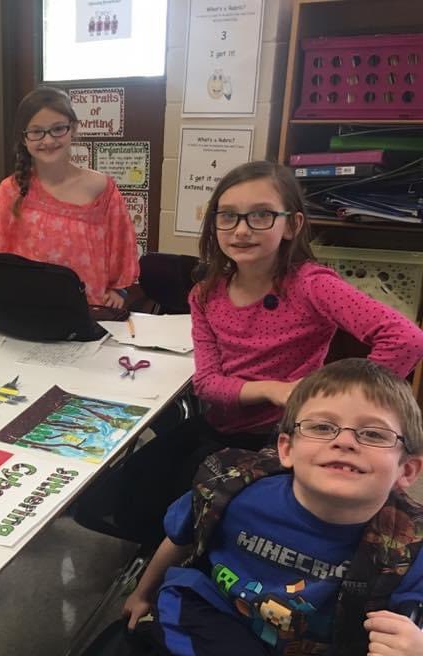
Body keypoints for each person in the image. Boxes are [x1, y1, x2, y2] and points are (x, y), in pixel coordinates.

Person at [75, 161, 423, 548]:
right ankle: (156, 565)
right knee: (123, 493)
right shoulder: (206, 293)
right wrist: (272, 389)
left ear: (291, 225)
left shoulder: (311, 285)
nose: (241, 230)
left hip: (280, 437)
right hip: (220, 424)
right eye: (228, 217)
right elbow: (208, 384)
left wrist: (337, 404)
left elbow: (406, 339)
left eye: (260, 216)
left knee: (202, 508)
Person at [112, 359, 423, 656]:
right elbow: (179, 538)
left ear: (408, 470)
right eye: (323, 426)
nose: (344, 441)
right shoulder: (236, 490)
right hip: (208, 612)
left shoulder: (406, 546)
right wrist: (142, 594)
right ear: (286, 449)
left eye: (373, 434)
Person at [0, 86, 139, 308]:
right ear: (24, 138)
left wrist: (120, 291)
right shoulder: (9, 192)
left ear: (74, 128)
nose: (48, 141)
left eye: (58, 129)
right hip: (23, 314)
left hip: (87, 314)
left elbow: (122, 248)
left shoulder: (102, 189)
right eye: (36, 131)